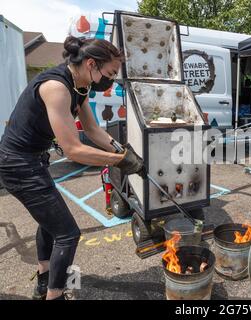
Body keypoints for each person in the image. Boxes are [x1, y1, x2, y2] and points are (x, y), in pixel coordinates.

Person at [0, 36, 144, 300]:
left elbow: (92, 129)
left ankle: (44, 280)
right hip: (17, 164)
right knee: (68, 234)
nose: (111, 80)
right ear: (91, 64)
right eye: (110, 73)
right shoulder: (56, 87)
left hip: (33, 159)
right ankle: (54, 295)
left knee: (49, 222)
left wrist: (122, 150)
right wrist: (120, 161)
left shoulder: (80, 86)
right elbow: (73, 149)